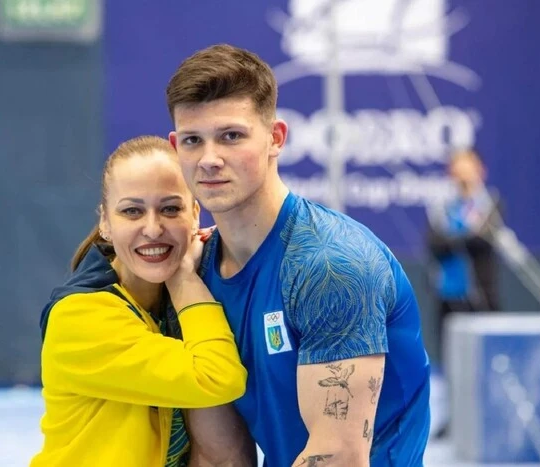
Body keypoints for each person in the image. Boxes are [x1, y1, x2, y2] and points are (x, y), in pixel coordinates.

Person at [165, 44, 431, 466]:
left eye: (231, 136)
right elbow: (221, 453)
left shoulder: (331, 266)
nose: (210, 159)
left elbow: (337, 458)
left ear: (275, 138)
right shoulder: (197, 269)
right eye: (194, 141)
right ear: (175, 146)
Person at [30, 135, 251, 466]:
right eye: (132, 211)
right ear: (105, 222)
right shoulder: (78, 318)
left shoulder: (183, 298)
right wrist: (184, 278)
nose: (153, 228)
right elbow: (217, 376)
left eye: (170, 209)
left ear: (195, 214)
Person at [426, 148, 502, 350]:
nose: (462, 174)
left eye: (468, 167)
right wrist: (464, 237)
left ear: (480, 170)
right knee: (450, 353)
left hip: (481, 294)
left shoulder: (490, 203)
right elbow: (434, 244)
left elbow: (483, 241)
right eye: (458, 168)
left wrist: (453, 240)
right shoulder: (442, 208)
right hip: (447, 296)